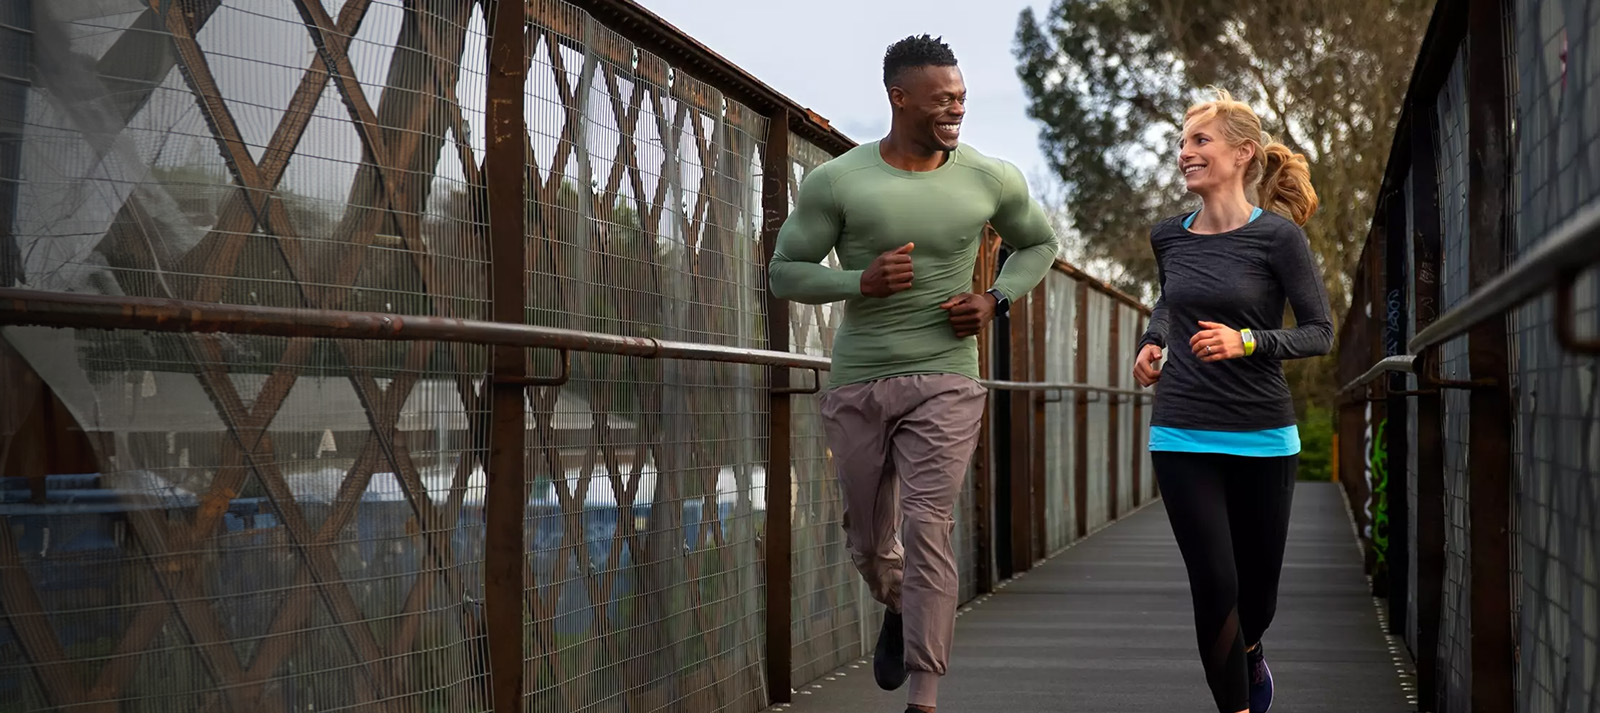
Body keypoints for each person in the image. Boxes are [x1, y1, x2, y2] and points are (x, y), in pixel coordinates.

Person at [768, 34, 1059, 713]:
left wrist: (995, 299)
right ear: (900, 98)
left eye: (960, 95)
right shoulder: (839, 180)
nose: (956, 107)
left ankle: (925, 698)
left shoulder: (990, 177)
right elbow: (784, 272)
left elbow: (1039, 243)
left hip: (948, 377)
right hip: (860, 380)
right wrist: (857, 281)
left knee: (930, 525)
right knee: (871, 542)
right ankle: (899, 604)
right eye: (941, 98)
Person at [1130, 88, 1332, 713]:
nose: (1184, 152)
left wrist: (1247, 341)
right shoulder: (1170, 236)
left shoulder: (1278, 239)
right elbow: (1173, 298)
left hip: (1263, 433)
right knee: (1215, 584)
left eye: (1199, 140)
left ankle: (1251, 651)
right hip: (1182, 431)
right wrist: (1153, 339)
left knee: (1257, 598)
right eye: (1182, 142)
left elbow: (1319, 331)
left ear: (1243, 153)